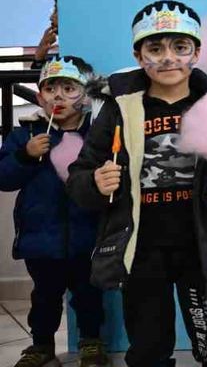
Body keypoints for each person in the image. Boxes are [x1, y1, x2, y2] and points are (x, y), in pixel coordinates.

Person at [66, 0, 207, 367]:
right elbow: (80, 173)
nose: (169, 58)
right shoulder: (119, 109)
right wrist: (95, 182)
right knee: (148, 342)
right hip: (141, 244)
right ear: (138, 56)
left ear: (196, 53)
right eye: (155, 49)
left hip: (202, 242)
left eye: (180, 47)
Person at [0, 57, 106, 367]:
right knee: (45, 296)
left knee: (89, 295)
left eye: (69, 88)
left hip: (88, 236)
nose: (58, 96)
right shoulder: (24, 135)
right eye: (50, 89)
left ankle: (91, 342)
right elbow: (4, 179)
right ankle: (41, 345)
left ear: (85, 96)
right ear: (39, 96)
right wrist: (26, 155)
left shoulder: (96, 135)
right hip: (41, 238)